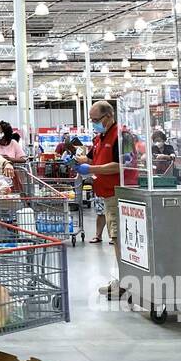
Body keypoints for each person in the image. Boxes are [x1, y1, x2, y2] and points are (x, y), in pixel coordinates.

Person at [70, 102, 125, 295]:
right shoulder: (99, 137)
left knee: (119, 240)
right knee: (116, 239)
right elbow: (92, 159)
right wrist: (78, 161)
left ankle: (124, 282)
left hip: (118, 195)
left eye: (96, 120)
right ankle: (122, 280)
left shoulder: (121, 136)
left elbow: (121, 165)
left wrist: (91, 169)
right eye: (92, 120)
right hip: (106, 195)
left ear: (109, 116)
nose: (94, 124)